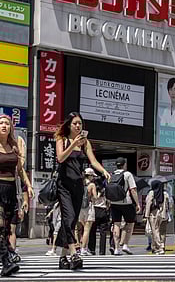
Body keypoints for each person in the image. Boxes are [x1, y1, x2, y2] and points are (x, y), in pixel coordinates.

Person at [0, 115, 34, 276]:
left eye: (7, 124)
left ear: (10, 128)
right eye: (1, 123)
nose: (4, 126)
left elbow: (20, 170)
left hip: (10, 189)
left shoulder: (14, 146)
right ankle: (5, 261)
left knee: (4, 228)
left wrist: (28, 186)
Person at [54, 112, 110, 270]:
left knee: (71, 221)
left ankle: (62, 257)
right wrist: (73, 144)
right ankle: (73, 253)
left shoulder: (85, 143)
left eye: (80, 124)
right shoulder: (62, 140)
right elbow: (60, 158)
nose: (78, 126)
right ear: (69, 125)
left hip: (78, 185)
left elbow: (93, 160)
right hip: (63, 184)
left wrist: (103, 171)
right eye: (75, 124)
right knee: (69, 216)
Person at [110, 157, 140, 255]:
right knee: (130, 223)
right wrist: (138, 203)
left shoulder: (112, 174)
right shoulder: (127, 174)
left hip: (114, 202)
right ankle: (126, 245)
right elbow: (133, 190)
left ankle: (116, 248)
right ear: (124, 164)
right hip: (126, 202)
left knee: (116, 224)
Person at [145, 180, 171, 255]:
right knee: (157, 230)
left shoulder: (151, 192)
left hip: (153, 213)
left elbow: (148, 203)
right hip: (161, 213)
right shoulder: (165, 193)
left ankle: (160, 247)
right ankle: (154, 247)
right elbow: (168, 204)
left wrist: (146, 215)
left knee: (155, 231)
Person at [88, 175, 109, 255]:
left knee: (92, 231)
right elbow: (108, 201)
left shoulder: (93, 189)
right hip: (103, 210)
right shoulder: (104, 190)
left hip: (94, 209)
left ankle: (92, 249)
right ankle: (102, 251)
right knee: (103, 232)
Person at [78, 168, 97, 256]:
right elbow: (95, 198)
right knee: (87, 229)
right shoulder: (92, 185)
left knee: (80, 228)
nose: (93, 177)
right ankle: (83, 249)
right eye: (92, 176)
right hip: (88, 207)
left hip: (80, 208)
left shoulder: (79, 183)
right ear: (89, 175)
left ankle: (80, 247)